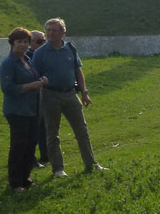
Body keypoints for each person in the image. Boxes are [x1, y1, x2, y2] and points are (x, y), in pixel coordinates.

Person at [32, 18, 106, 177]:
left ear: (63, 32)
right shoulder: (39, 53)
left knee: (82, 131)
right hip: (50, 94)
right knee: (52, 133)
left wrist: (84, 92)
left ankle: (91, 163)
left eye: (54, 30)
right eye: (48, 30)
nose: (50, 33)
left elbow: (78, 71)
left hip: (71, 94)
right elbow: (33, 75)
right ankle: (58, 169)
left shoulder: (70, 49)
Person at [0, 27, 48, 192]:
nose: (22, 45)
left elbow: (33, 77)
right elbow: (8, 88)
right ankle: (15, 183)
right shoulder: (8, 63)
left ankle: (25, 178)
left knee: (30, 144)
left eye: (25, 42)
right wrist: (31, 86)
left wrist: (41, 80)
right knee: (19, 146)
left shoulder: (27, 60)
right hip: (17, 110)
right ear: (12, 43)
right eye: (19, 42)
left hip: (33, 109)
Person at [27, 30, 49, 167]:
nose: (42, 44)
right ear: (31, 43)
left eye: (43, 41)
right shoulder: (28, 57)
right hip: (34, 95)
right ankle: (31, 158)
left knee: (44, 126)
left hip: (45, 93)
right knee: (34, 127)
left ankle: (46, 154)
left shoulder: (42, 55)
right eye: (39, 41)